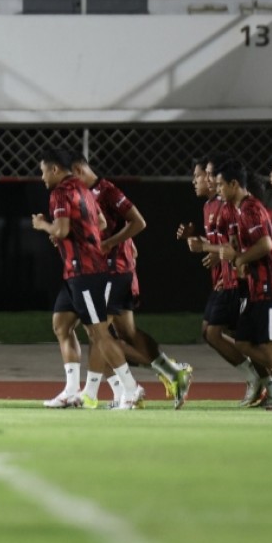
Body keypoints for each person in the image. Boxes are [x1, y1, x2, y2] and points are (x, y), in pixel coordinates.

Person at [69, 155, 191, 410]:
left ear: (79, 170)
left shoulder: (107, 190)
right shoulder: (86, 193)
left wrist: (111, 243)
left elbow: (139, 222)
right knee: (126, 333)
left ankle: (95, 394)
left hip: (114, 270)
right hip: (111, 269)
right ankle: (171, 372)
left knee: (97, 331)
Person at [31, 148, 140, 410]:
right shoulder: (84, 188)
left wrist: (44, 225)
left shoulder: (59, 192)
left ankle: (131, 388)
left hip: (86, 272)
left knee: (98, 333)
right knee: (61, 324)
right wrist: (76, 233)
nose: (42, 177)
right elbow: (100, 222)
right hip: (76, 272)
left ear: (55, 169)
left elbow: (61, 228)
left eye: (43, 171)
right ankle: (71, 389)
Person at [210, 159, 272, 411]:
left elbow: (267, 244)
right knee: (244, 341)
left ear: (234, 184)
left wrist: (240, 258)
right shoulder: (243, 209)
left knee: (269, 344)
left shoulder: (251, 208)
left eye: (221, 185)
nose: (218, 189)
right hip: (260, 288)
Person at [179, 154, 268, 407]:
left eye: (204, 174)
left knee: (229, 335)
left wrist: (213, 250)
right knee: (217, 333)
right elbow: (225, 245)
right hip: (224, 280)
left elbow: (237, 244)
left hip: (237, 281)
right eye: (201, 175)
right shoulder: (211, 206)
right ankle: (267, 380)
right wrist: (203, 243)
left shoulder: (231, 205)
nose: (200, 180)